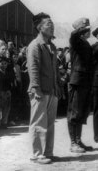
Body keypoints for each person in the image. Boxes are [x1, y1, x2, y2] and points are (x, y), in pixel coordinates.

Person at [26, 13, 61, 164]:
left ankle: (48, 152)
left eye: (52, 23)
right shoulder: (35, 45)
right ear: (39, 27)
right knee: (38, 123)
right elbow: (33, 69)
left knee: (49, 123)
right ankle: (37, 154)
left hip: (51, 90)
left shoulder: (51, 46)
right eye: (48, 24)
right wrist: (35, 88)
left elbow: (55, 70)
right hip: (39, 91)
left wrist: (57, 87)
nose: (51, 26)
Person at [68, 17, 93, 153]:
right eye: (86, 29)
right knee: (74, 112)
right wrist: (80, 28)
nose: (89, 31)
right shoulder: (76, 41)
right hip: (77, 81)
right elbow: (73, 35)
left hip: (85, 81)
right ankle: (73, 143)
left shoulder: (86, 43)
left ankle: (78, 140)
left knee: (82, 112)